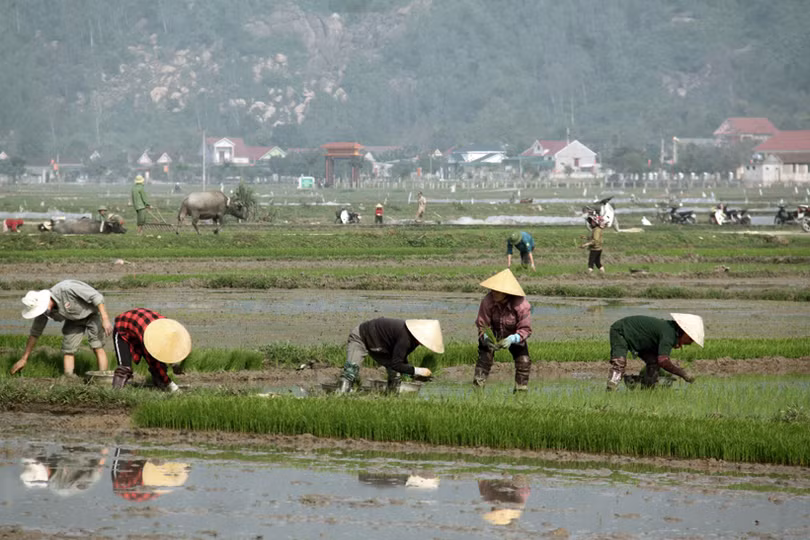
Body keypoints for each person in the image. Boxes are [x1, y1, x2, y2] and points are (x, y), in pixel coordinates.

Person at [12, 280, 112, 376]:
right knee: (68, 350)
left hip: (92, 314)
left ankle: (102, 378)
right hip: (73, 319)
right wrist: (24, 358)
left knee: (97, 346)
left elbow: (97, 297)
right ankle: (69, 378)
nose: (45, 313)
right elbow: (35, 333)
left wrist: (105, 318)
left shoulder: (67, 289)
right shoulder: (44, 312)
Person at [336, 318, 444, 393]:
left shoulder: (413, 341)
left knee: (395, 374)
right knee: (351, 371)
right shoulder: (405, 337)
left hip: (380, 346)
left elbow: (399, 360)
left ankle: (391, 396)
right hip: (361, 337)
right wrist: (419, 371)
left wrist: (412, 375)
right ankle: (341, 397)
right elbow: (397, 364)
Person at [606, 313, 703, 391]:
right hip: (621, 330)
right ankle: (611, 390)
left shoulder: (671, 332)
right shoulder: (669, 334)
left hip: (641, 339)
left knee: (654, 362)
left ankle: (647, 390)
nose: (690, 343)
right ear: (685, 332)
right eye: (690, 339)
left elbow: (659, 361)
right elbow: (664, 361)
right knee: (619, 362)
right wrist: (683, 374)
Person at [474, 269, 532, 392]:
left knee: (524, 361)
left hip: (514, 335)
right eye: (492, 289)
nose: (493, 292)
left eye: (497, 291)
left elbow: (525, 329)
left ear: (506, 292)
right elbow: (482, 324)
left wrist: (513, 339)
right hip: (493, 334)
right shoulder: (488, 301)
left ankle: (521, 390)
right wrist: (486, 337)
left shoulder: (521, 305)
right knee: (484, 358)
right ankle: (478, 387)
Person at [111, 309, 191, 392]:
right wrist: (172, 386)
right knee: (125, 367)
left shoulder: (169, 328)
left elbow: (168, 349)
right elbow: (153, 363)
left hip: (139, 324)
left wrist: (174, 364)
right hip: (123, 325)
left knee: (161, 363)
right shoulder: (149, 337)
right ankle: (116, 393)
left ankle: (159, 387)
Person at [111, 448, 190, 501]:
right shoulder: (177, 476)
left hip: (126, 484)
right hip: (147, 484)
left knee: (123, 444)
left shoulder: (125, 484)